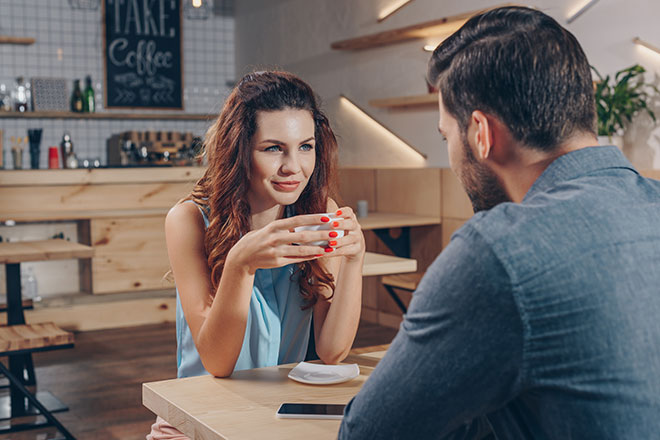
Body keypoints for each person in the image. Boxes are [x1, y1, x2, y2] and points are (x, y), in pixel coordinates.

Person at [339, 6, 660, 439]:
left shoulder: (498, 250)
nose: (451, 153)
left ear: (481, 133)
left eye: (445, 136)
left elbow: (369, 433)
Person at [147, 71, 365, 439]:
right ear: (239, 149)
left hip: (276, 412)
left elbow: (331, 352)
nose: (293, 167)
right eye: (273, 148)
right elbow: (216, 363)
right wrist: (240, 263)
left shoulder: (316, 212)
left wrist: (354, 259)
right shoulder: (188, 221)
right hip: (202, 412)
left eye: (306, 147)